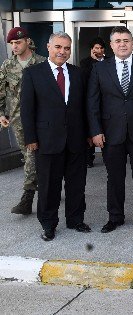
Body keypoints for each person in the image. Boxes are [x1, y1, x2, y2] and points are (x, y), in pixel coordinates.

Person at [87, 26, 133, 233]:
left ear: (132, 43)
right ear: (111, 45)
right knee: (114, 178)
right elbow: (93, 103)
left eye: (126, 40)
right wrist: (95, 131)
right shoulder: (100, 68)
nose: (122, 44)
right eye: (118, 41)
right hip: (111, 133)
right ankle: (115, 216)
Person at [20, 32, 91, 241]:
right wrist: (31, 138)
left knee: (76, 184)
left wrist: (87, 134)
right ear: (49, 47)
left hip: (76, 139)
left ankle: (75, 219)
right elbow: (27, 108)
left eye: (67, 48)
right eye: (58, 47)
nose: (62, 52)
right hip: (46, 140)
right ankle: (48, 224)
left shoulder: (78, 74)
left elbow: (84, 108)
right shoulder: (33, 73)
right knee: (49, 185)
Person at [0, 27, 46, 215]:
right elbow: (1, 93)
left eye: (18, 42)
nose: (14, 46)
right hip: (19, 121)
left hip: (42, 119)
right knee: (31, 156)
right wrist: (2, 113)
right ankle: (41, 189)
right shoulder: (7, 65)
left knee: (34, 156)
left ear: (27, 41)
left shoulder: (42, 62)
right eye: (12, 43)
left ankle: (29, 198)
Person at [79, 37, 110, 168]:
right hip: (90, 100)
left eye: (101, 48)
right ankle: (88, 158)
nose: (99, 50)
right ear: (92, 49)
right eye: (96, 48)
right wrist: (93, 60)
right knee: (90, 129)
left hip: (106, 102)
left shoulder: (109, 61)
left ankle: (107, 157)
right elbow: (85, 79)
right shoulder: (85, 63)